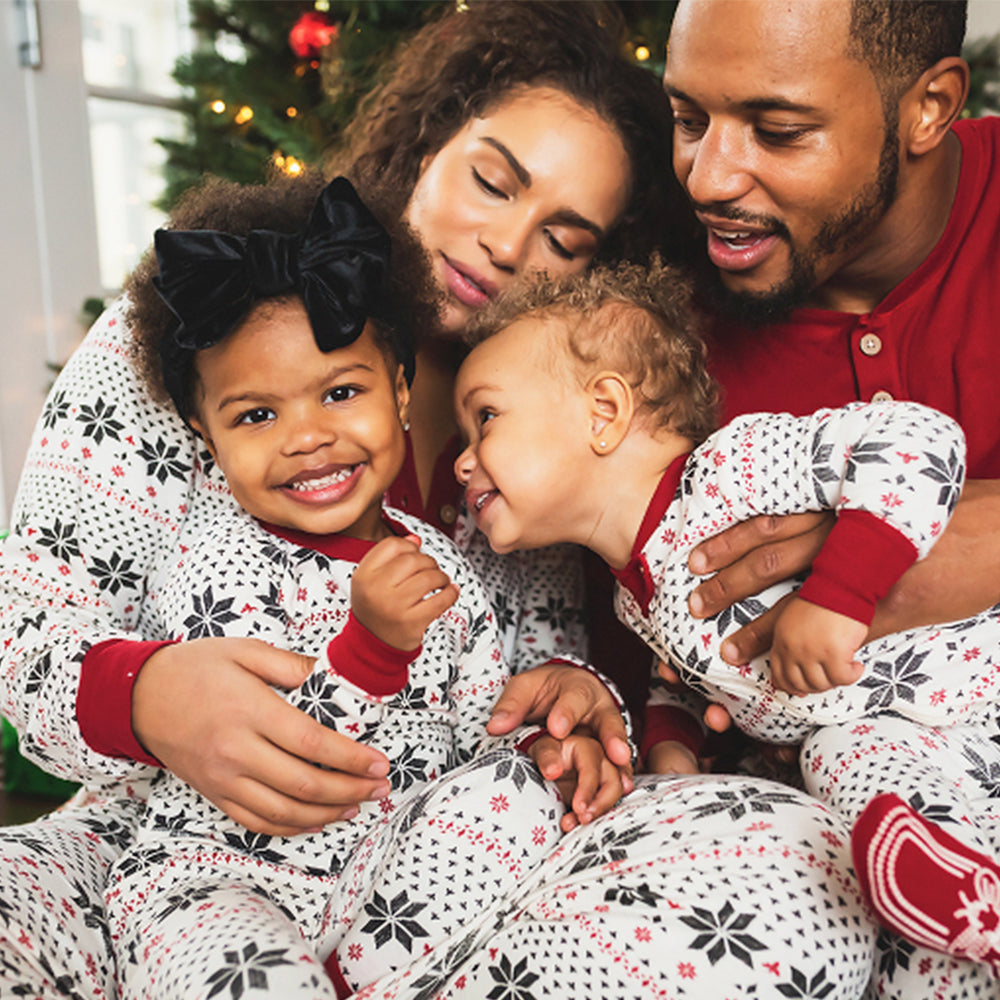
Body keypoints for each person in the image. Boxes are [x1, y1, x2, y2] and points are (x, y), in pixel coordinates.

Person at [0, 3, 876, 998]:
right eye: (492, 180)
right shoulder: (193, 334)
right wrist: (148, 695)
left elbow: (536, 653)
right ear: (426, 144)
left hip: (421, 866)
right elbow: (27, 648)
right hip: (156, 853)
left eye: (563, 235)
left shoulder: (526, 432)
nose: (505, 242)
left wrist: (567, 700)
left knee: (791, 865)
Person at [105, 173, 623, 999]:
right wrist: (371, 648)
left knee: (514, 794)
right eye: (255, 416)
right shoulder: (211, 561)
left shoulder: (442, 566)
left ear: (403, 391)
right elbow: (277, 753)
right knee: (256, 977)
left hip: (380, 887)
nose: (308, 438)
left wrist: (537, 735)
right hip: (225, 879)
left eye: (341, 393)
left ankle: (364, 981)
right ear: (205, 436)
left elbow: (468, 725)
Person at [452, 259, 1000, 974]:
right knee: (903, 924)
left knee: (841, 759)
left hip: (969, 689)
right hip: (924, 753)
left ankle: (970, 892)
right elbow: (684, 675)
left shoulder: (731, 471)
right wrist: (673, 747)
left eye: (486, 417)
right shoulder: (633, 594)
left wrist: (839, 593)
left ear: (605, 412)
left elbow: (917, 443)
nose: (463, 463)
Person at [648, 0, 1000, 996]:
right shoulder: (650, 329)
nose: (709, 176)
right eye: (686, 117)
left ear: (927, 105)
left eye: (777, 129)